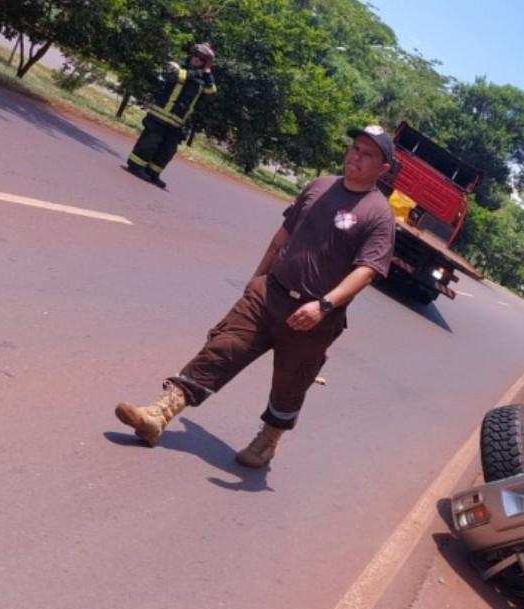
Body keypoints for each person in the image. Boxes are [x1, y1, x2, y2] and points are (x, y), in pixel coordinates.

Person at [114, 126, 397, 468]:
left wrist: (324, 306)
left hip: (313, 316)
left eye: (368, 154)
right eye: (355, 148)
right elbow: (282, 237)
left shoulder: (379, 215)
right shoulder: (321, 185)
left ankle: (268, 440)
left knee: (292, 381)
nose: (357, 156)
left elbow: (367, 270)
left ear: (383, 169)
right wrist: (256, 279)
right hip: (269, 293)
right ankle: (159, 415)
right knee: (222, 349)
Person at [125, 42, 218, 189]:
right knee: (150, 141)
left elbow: (211, 93)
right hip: (160, 116)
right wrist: (197, 73)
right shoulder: (177, 65)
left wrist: (207, 72)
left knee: (167, 150)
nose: (196, 59)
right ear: (191, 55)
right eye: (195, 56)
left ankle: (153, 173)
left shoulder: (204, 79)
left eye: (201, 59)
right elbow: (173, 75)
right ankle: (135, 166)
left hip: (177, 122)